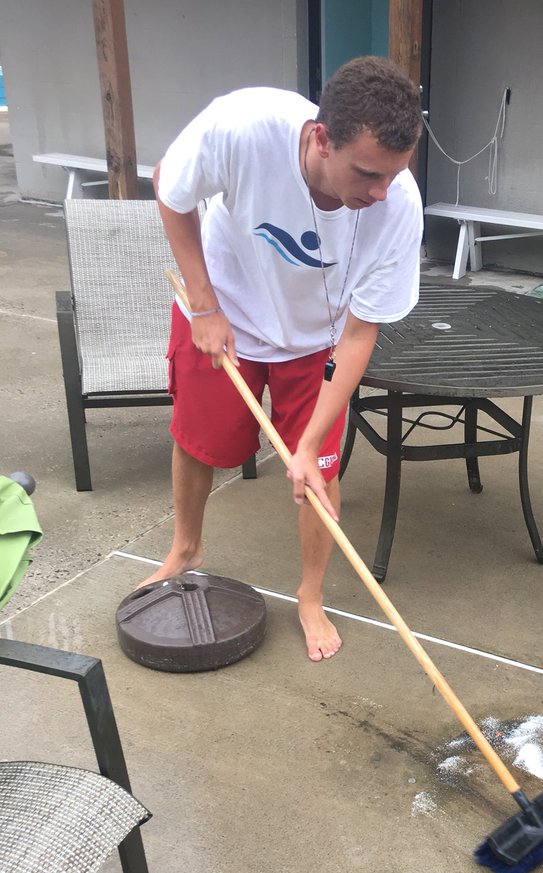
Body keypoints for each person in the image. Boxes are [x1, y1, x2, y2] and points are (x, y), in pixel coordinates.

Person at [143, 57, 423, 661]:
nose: (381, 192)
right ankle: (186, 548)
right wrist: (204, 303)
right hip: (223, 310)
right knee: (198, 440)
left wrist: (309, 442)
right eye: (368, 173)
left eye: (394, 174)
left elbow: (360, 334)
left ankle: (311, 595)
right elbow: (170, 184)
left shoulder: (397, 205)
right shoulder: (244, 127)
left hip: (319, 337)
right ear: (322, 138)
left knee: (319, 470)